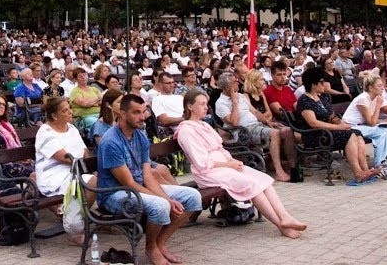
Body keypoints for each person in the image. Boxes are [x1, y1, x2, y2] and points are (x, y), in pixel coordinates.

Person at [175, 90, 308, 239]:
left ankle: (285, 217)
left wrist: (232, 160)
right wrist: (228, 165)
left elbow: (220, 148)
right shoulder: (186, 131)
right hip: (208, 172)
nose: (206, 107)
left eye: (206, 104)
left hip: (224, 166)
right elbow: (202, 163)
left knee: (262, 180)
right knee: (250, 183)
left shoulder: (204, 125)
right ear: (190, 107)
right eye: (202, 104)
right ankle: (280, 225)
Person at [97, 93, 201, 265]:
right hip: (113, 194)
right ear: (122, 114)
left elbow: (147, 176)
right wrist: (165, 200)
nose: (142, 117)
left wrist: (167, 198)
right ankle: (151, 247)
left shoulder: (140, 136)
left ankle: (160, 243)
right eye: (136, 112)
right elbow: (128, 183)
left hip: (137, 187)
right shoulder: (110, 142)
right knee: (160, 205)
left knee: (192, 196)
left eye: (143, 111)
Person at [295, 67, 379, 184]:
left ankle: (365, 170)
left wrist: (343, 124)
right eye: (321, 82)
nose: (324, 84)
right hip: (314, 136)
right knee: (348, 136)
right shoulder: (304, 101)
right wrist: (339, 127)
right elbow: (313, 123)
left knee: (356, 133)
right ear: (313, 85)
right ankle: (358, 173)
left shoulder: (323, 98)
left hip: (327, 133)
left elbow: (332, 117)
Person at [215, 71, 296, 182]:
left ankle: (293, 168)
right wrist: (234, 103)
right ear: (227, 86)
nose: (238, 83)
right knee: (274, 133)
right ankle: (279, 171)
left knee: (286, 130)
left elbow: (255, 112)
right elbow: (233, 122)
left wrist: (268, 122)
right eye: (235, 82)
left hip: (257, 125)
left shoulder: (241, 96)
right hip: (243, 131)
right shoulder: (221, 103)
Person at [341, 71, 387, 166]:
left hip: (361, 125)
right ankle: (379, 163)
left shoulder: (377, 97)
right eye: (379, 86)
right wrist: (378, 106)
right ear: (371, 88)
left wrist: (383, 121)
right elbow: (371, 123)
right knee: (381, 133)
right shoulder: (363, 99)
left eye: (382, 85)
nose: (382, 88)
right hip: (350, 127)